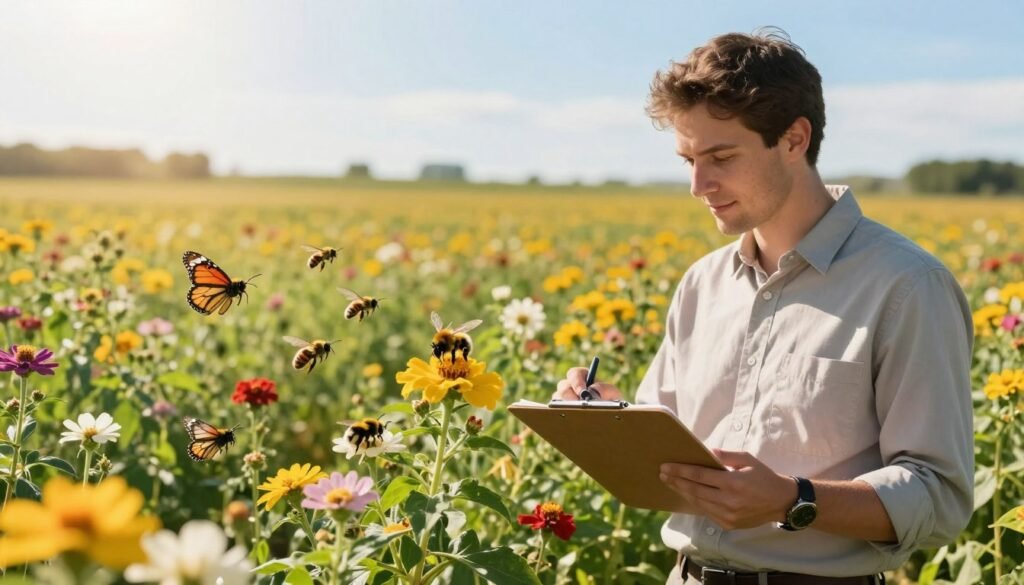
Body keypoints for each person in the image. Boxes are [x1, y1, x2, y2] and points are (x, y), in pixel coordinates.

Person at [553, 28, 974, 585]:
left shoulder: (907, 285)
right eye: (688, 160)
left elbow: (939, 497)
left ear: (795, 139)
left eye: (721, 156)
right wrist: (611, 418)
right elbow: (672, 456)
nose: (699, 184)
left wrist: (792, 500)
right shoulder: (702, 283)